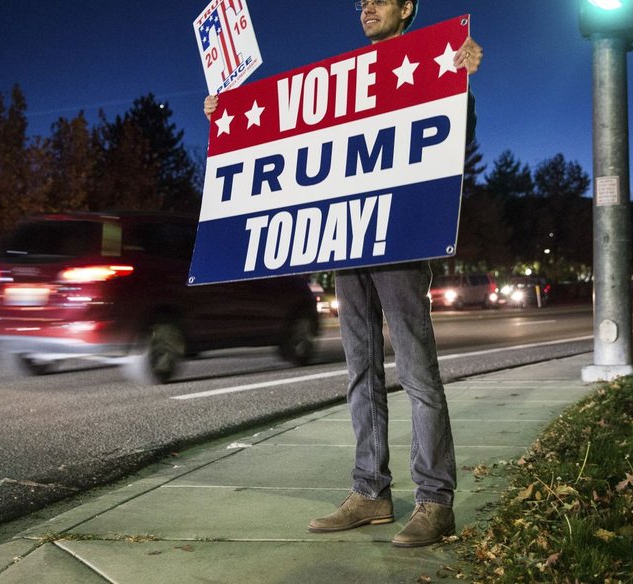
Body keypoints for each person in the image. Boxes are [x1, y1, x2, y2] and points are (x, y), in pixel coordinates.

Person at [204, 0, 482, 548]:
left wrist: (462, 77)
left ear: (406, 8)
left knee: (417, 371)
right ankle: (370, 491)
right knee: (360, 372)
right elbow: (286, 131)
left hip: (399, 243)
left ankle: (435, 501)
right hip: (347, 243)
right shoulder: (343, 82)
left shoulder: (435, 60)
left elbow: (456, 134)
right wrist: (227, 115)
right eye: (360, 3)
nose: (367, 8)